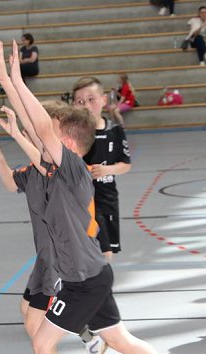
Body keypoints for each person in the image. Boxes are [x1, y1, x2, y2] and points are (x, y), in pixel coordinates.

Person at [0, 40, 206, 354]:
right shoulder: (48, 171)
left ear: (65, 144)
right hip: (91, 274)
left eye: (47, 135)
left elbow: (42, 127)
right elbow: (36, 136)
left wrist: (15, 79)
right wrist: (11, 93)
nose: (40, 138)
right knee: (118, 338)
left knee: (42, 343)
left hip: (83, 278)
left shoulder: (72, 170)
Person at [0, 104, 108, 354]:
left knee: (37, 330)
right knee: (28, 313)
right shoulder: (34, 172)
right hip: (45, 261)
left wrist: (19, 125)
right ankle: (89, 334)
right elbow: (10, 182)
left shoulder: (60, 170)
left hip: (63, 261)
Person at [72, 76, 132, 261]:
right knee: (99, 251)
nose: (87, 106)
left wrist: (108, 170)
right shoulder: (72, 133)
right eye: (80, 102)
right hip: (81, 200)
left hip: (107, 199)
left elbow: (126, 165)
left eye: (91, 100)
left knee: (107, 252)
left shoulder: (114, 130)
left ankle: (100, 287)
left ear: (103, 100)